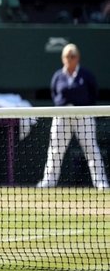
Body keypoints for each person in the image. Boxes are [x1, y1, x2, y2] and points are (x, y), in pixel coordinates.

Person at [37, 44, 108, 190]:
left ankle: (100, 182)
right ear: (63, 58)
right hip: (62, 116)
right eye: (67, 56)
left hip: (83, 116)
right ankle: (48, 181)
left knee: (91, 149)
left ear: (78, 58)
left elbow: (93, 93)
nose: (70, 59)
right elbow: (54, 93)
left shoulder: (86, 75)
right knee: (55, 150)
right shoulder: (58, 76)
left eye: (73, 56)